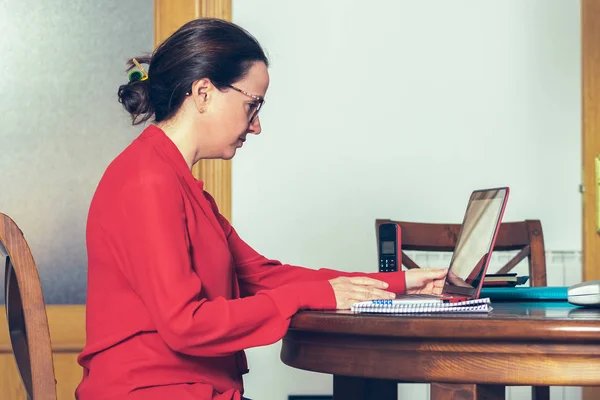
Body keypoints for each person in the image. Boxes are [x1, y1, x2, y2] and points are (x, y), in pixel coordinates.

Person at [75, 18, 447, 400]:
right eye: (251, 105)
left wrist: (399, 286)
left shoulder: (176, 181)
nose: (256, 127)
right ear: (203, 93)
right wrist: (304, 298)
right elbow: (185, 324)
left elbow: (265, 276)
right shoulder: (147, 181)